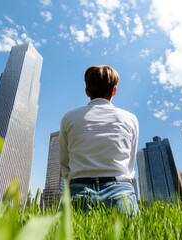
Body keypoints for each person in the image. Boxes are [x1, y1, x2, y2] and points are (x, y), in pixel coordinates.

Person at [59, 65, 139, 215]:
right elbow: (130, 163)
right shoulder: (131, 119)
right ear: (114, 90)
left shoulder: (68, 118)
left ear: (87, 91)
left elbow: (64, 162)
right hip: (121, 192)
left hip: (78, 191)